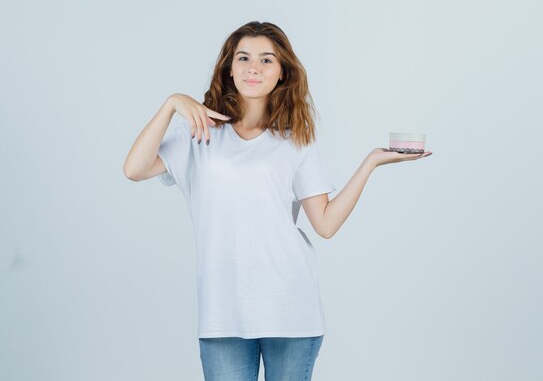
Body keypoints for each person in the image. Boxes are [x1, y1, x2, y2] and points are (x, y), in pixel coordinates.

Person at [123, 21, 432, 381]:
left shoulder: (296, 137)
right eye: (244, 58)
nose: (254, 67)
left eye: (266, 59)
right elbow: (134, 169)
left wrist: (371, 163)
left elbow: (326, 224)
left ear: (282, 72)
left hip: (290, 309)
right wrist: (172, 104)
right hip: (223, 313)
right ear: (229, 68)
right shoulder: (199, 132)